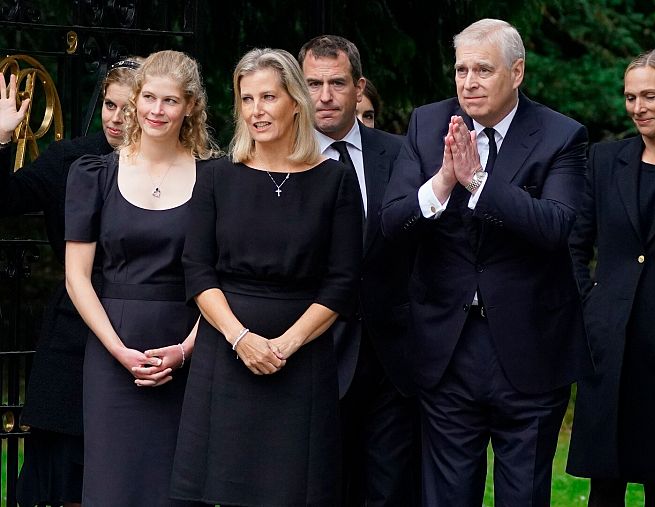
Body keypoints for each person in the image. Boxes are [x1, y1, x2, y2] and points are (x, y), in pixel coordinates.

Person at [381, 18, 595, 507]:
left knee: (524, 495)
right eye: (460, 70)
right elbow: (392, 223)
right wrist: (442, 183)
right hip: (448, 349)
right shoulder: (428, 123)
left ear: (516, 73)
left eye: (483, 70)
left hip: (529, 347)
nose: (468, 82)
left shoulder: (561, 135)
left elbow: (556, 227)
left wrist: (479, 182)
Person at [170, 48, 362, 506]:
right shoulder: (215, 177)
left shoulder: (334, 180)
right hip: (226, 353)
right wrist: (242, 340)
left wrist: (285, 345)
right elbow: (198, 269)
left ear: (295, 101)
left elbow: (342, 280)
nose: (257, 111)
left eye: (268, 97)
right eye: (247, 99)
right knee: (223, 490)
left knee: (296, 492)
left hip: (302, 361)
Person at [64, 50, 217, 505]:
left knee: (177, 490)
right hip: (112, 352)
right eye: (148, 97)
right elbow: (77, 278)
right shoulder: (94, 174)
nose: (156, 110)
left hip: (188, 349)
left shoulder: (216, 178)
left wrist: (186, 351)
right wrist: (118, 352)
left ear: (190, 105)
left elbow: (221, 277)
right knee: (113, 487)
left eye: (169, 101)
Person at [1, 58, 140, 507]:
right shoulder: (70, 158)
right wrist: (2, 137)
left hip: (146, 335)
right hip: (73, 342)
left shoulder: (181, 168)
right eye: (109, 105)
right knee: (63, 481)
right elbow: (4, 200)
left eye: (130, 108)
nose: (117, 118)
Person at [299, 35, 417, 507]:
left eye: (336, 83)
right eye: (313, 84)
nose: (325, 96)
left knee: (389, 493)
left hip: (394, 357)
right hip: (314, 354)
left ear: (358, 86)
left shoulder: (403, 152)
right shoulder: (281, 158)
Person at [566, 49, 655, 507]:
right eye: (630, 97)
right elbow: (576, 243)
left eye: (649, 96)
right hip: (610, 341)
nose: (638, 107)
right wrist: (590, 303)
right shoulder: (604, 159)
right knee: (606, 479)